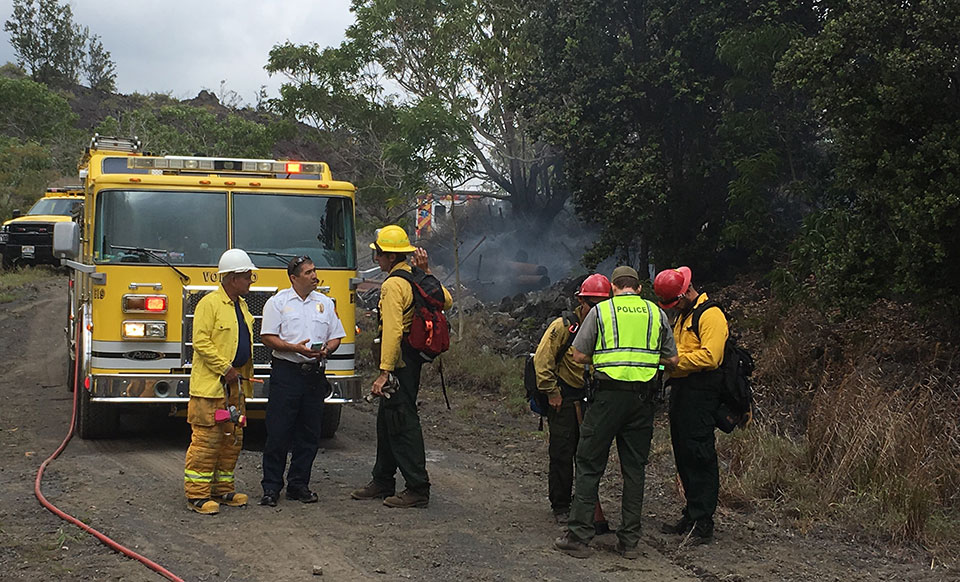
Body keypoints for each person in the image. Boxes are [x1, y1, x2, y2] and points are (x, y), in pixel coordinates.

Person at [554, 266, 678, 559]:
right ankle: (629, 543)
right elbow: (672, 360)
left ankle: (579, 538)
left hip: (607, 397)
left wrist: (604, 359)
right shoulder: (656, 313)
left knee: (588, 463)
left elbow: (579, 355)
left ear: (612, 286)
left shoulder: (601, 312)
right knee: (634, 470)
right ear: (639, 288)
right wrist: (651, 366)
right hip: (643, 401)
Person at [350, 225, 452, 509]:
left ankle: (417, 486)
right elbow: (448, 299)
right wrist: (428, 272)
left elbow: (393, 331)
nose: (377, 259)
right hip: (411, 359)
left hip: (400, 361)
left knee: (402, 421)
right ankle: (382, 479)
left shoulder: (394, 285)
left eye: (378, 254)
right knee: (386, 419)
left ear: (388, 256)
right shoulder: (416, 276)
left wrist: (385, 372)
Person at [258, 255, 346, 507]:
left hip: (314, 374)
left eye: (315, 271)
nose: (314, 276)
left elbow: (336, 336)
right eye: (308, 273)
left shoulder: (325, 303)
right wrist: (293, 348)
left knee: (309, 434)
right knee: (278, 432)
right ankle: (271, 487)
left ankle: (299, 484)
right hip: (287, 373)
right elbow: (268, 337)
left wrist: (326, 350)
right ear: (294, 278)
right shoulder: (278, 303)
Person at [653, 266, 728, 543]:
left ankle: (704, 521)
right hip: (683, 391)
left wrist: (674, 362)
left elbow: (711, 357)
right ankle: (692, 512)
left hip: (702, 393)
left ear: (685, 292)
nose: (673, 307)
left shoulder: (711, 315)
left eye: (674, 301)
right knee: (683, 453)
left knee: (699, 454)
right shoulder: (684, 315)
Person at [533, 274, 612, 527]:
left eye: (601, 304)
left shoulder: (609, 327)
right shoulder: (563, 327)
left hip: (593, 399)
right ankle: (561, 505)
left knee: (588, 454)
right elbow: (542, 361)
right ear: (581, 301)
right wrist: (551, 391)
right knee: (562, 452)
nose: (596, 310)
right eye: (591, 304)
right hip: (564, 399)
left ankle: (585, 504)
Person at [183, 248, 257, 515]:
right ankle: (197, 495)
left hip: (235, 387)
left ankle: (223, 489)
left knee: (232, 439)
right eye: (247, 276)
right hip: (212, 389)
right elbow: (200, 341)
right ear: (232, 277)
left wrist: (236, 374)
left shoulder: (242, 305)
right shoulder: (209, 304)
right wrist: (224, 368)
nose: (251, 280)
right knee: (206, 441)